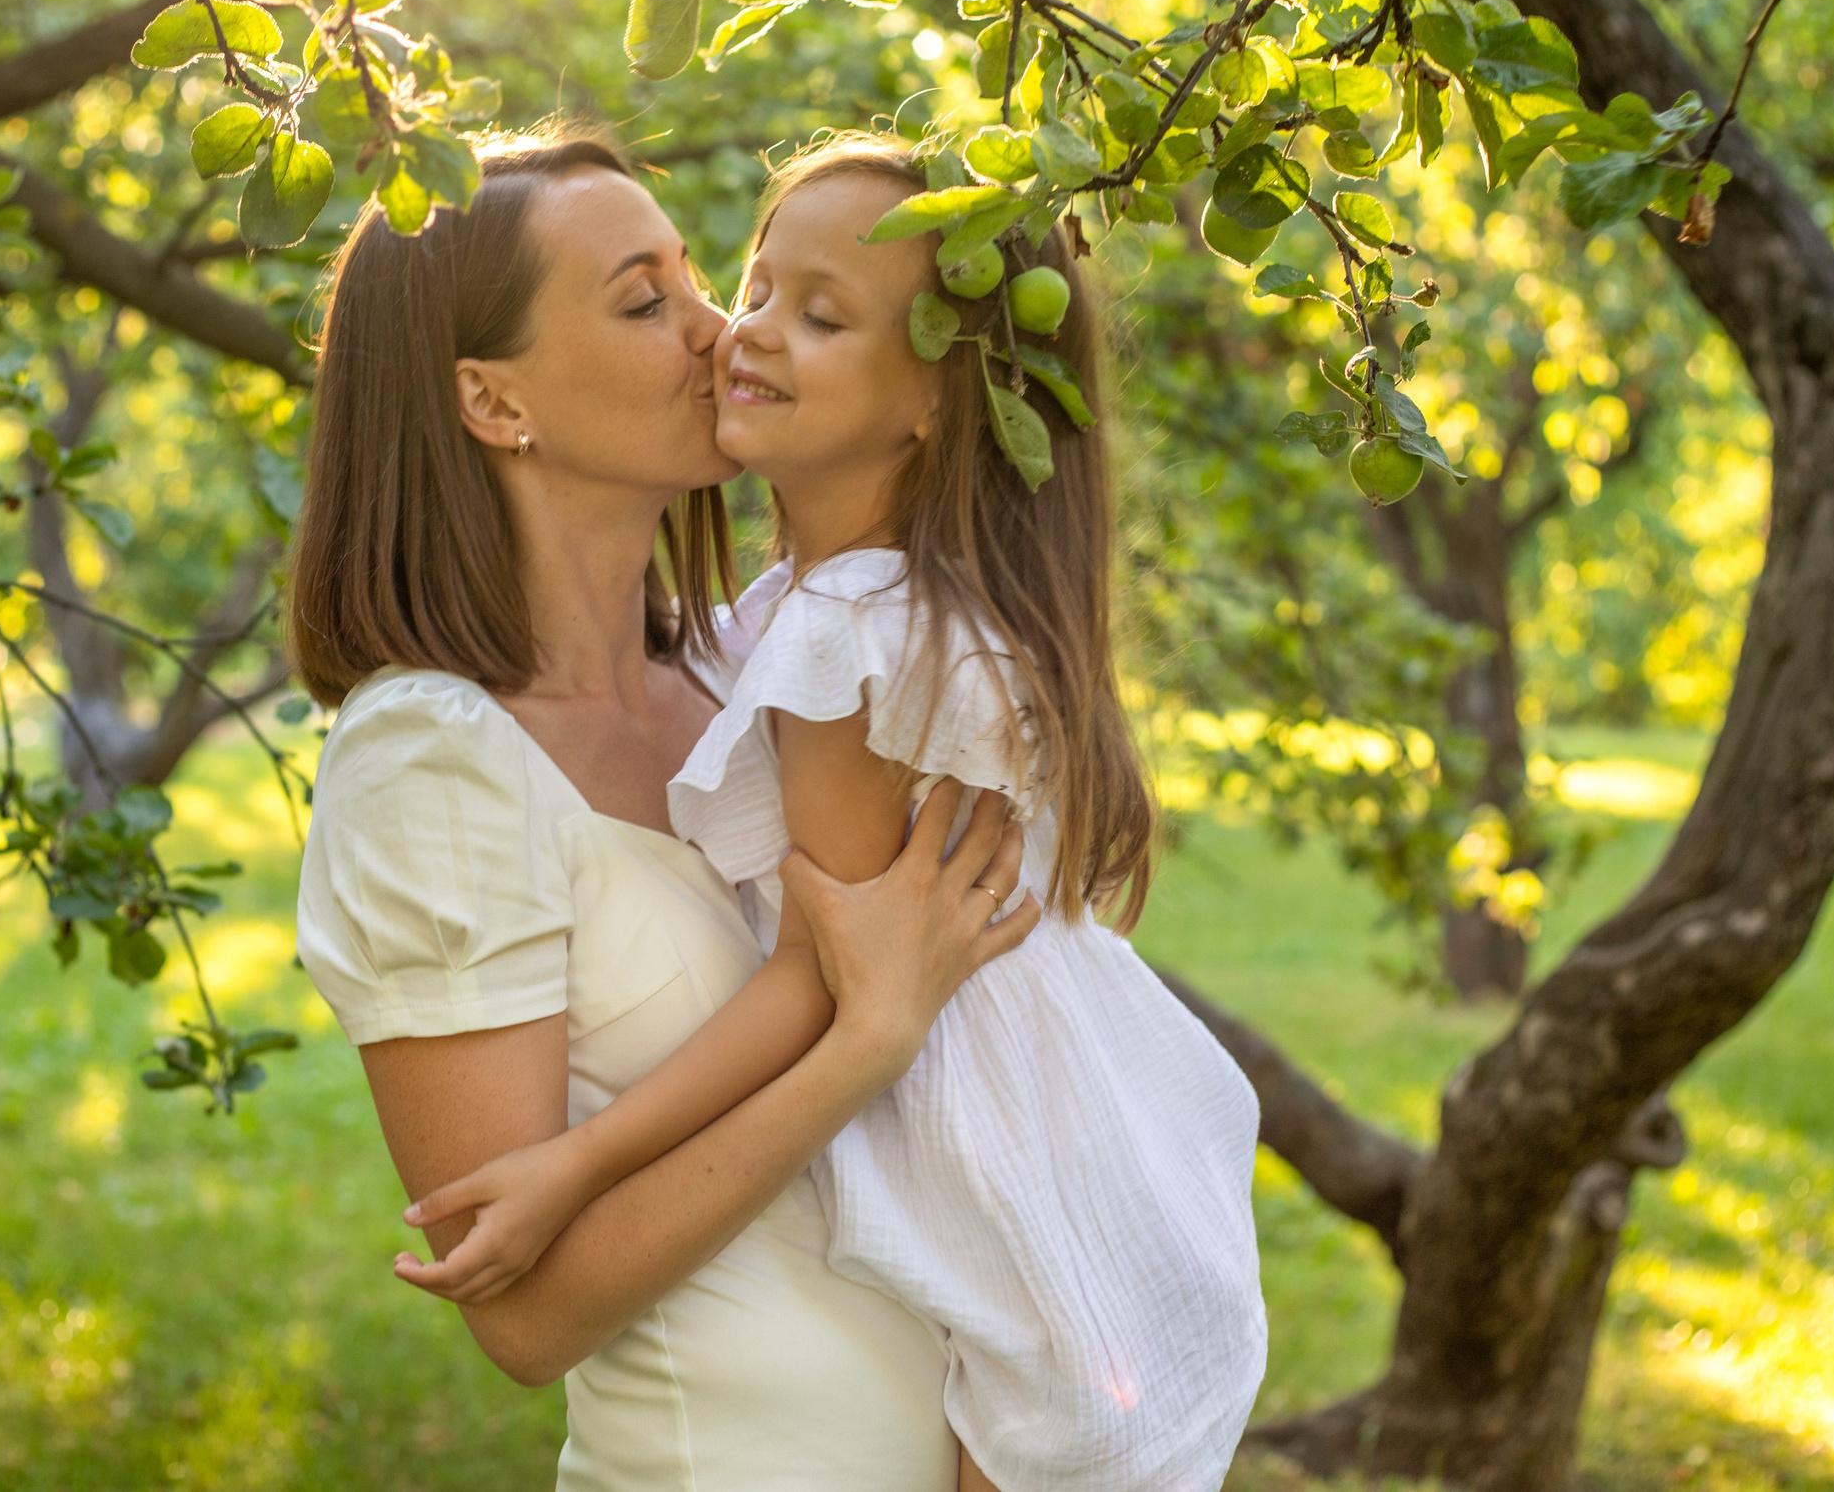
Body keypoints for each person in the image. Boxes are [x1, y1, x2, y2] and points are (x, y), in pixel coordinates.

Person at [398, 135, 1268, 1492]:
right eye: (757, 288)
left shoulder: (851, 641)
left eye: (823, 316)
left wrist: (575, 1167)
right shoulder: (783, 628)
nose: (741, 336)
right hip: (1043, 1163)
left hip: (1024, 1192)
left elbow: (822, 977)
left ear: (934, 403)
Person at [287, 128, 1044, 1491]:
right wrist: (864, 1039)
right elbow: (522, 1315)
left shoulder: (746, 664)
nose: (722, 335)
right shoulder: (435, 763)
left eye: (709, 284)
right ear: (490, 400)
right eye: (647, 302)